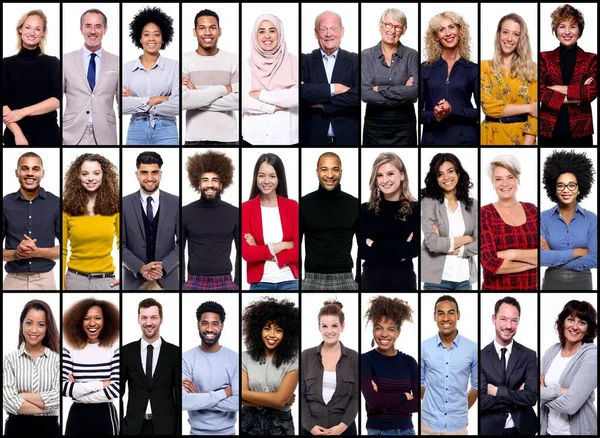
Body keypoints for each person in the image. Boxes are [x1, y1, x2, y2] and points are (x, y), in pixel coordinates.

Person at [121, 298, 180, 435]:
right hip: (133, 428)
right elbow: (118, 392)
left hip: (166, 429)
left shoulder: (175, 353)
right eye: (144, 318)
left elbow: (179, 397)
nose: (148, 323)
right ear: (138, 319)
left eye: (153, 317)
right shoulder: (126, 352)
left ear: (161, 319)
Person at [182, 150, 240, 290]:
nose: (209, 184)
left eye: (214, 180)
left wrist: (237, 283)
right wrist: (181, 283)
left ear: (221, 184)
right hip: (194, 280)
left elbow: (241, 251)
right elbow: (180, 250)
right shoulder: (185, 212)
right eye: (205, 180)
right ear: (198, 184)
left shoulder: (235, 213)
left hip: (225, 280)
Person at [540, 4, 597, 145]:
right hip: (548, 129)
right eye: (562, 26)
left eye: (572, 26)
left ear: (579, 30)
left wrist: (552, 88)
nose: (567, 32)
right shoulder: (544, 58)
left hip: (581, 130)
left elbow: (591, 92)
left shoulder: (591, 59)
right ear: (555, 30)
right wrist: (577, 96)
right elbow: (539, 92)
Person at [360, 152, 419, 291]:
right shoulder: (365, 210)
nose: (384, 180)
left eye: (390, 174)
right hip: (371, 281)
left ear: (402, 175)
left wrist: (374, 244)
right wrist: (400, 249)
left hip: (404, 282)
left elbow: (412, 250)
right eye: (379, 175)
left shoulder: (415, 209)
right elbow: (363, 252)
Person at [480, 297, 538, 435]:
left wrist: (495, 391)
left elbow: (531, 397)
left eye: (514, 320)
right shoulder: (480, 357)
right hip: (490, 430)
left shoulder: (529, 355)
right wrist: (518, 395)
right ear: (494, 319)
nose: (508, 326)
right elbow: (482, 401)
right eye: (503, 319)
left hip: (523, 429)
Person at [301, 152, 359, 290]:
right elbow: (296, 244)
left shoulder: (354, 204)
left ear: (341, 172)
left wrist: (358, 281)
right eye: (324, 169)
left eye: (335, 169)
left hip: (345, 278)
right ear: (317, 172)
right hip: (311, 278)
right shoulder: (304, 204)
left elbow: (362, 246)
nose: (330, 175)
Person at [122, 151, 180, 291]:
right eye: (144, 172)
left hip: (167, 280)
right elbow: (120, 245)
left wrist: (163, 266)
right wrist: (140, 267)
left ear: (160, 174)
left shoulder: (176, 203)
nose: (149, 178)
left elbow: (182, 242)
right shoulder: (123, 204)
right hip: (134, 281)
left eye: (154, 172)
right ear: (137, 174)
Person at [241, 297, 299, 435]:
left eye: (278, 330)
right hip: (248, 424)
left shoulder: (293, 360)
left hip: (280, 426)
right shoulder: (245, 357)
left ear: (286, 334)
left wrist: (241, 393)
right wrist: (277, 399)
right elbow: (280, 400)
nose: (271, 335)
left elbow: (280, 400)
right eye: (267, 328)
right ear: (258, 330)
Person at [300, 11, 360, 146]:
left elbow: (358, 96)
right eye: (323, 29)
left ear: (342, 32)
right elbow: (300, 93)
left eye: (333, 29)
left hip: (348, 140)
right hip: (311, 140)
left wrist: (322, 105)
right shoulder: (304, 61)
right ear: (316, 33)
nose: (328, 34)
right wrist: (335, 88)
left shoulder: (355, 60)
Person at [62, 298, 120, 435]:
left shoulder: (114, 349)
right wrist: (103, 384)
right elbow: (63, 387)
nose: (92, 323)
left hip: (105, 415)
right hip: (77, 416)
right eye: (86, 318)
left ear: (106, 321)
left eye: (98, 318)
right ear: (78, 321)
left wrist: (79, 395)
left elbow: (116, 389)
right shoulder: (69, 350)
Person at [421, 295, 478, 435]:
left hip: (458, 426)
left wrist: (459, 408)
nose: (446, 318)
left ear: (458, 315)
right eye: (441, 313)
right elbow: (419, 383)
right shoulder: (424, 347)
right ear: (434, 316)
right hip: (428, 425)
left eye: (451, 312)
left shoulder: (473, 348)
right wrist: (434, 405)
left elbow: (476, 386)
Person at [361, 296, 418, 435]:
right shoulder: (365, 360)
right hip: (378, 432)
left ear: (398, 332)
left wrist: (383, 406)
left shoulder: (410, 362)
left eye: (390, 329)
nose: (384, 334)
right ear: (373, 329)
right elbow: (373, 401)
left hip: (407, 431)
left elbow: (418, 404)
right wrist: (404, 396)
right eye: (379, 328)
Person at [62, 153, 120, 290]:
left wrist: (126, 277)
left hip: (107, 281)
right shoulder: (67, 209)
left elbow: (122, 245)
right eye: (85, 174)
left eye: (96, 173)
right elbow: (63, 250)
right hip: (74, 280)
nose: (90, 178)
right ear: (77, 176)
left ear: (104, 176)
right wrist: (62, 288)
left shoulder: (115, 208)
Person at [420, 153, 478, 291]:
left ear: (458, 173)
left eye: (450, 171)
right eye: (440, 174)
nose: (446, 177)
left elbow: (481, 243)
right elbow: (433, 243)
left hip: (464, 279)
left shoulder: (473, 205)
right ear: (436, 178)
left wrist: (451, 247)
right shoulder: (429, 202)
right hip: (436, 280)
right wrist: (467, 238)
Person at [361, 9, 418, 145]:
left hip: (405, 128)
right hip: (374, 128)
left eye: (397, 27)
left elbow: (415, 92)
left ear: (403, 30)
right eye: (388, 25)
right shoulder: (366, 56)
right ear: (380, 25)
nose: (392, 31)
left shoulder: (412, 55)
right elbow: (365, 94)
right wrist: (402, 93)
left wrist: (379, 88)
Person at [242, 153, 299, 290]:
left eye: (272, 176)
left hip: (289, 281)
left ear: (279, 178)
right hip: (260, 282)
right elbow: (247, 253)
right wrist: (284, 245)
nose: (266, 181)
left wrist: (260, 249)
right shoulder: (246, 208)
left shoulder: (292, 206)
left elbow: (297, 250)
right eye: (262, 175)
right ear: (256, 177)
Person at [480, 155, 538, 290]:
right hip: (495, 291)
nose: (505, 184)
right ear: (493, 183)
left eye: (510, 177)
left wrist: (512, 254)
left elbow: (547, 252)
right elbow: (490, 263)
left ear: (518, 179)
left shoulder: (532, 210)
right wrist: (535, 261)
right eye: (498, 179)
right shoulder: (485, 214)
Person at [2, 9, 60, 146]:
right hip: (15, 136)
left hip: (49, 136)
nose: (32, 33)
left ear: (42, 33)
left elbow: (57, 100)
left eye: (37, 29)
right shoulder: (6, 64)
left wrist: (22, 112)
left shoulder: (53, 63)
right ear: (20, 29)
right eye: (28, 27)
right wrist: (18, 135)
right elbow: (3, 104)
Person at [62, 9, 120, 146]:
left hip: (106, 134)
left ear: (105, 29)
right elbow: (55, 100)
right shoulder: (66, 60)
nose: (92, 31)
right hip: (72, 133)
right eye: (88, 26)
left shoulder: (116, 61)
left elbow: (122, 102)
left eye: (98, 26)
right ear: (81, 29)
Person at [420, 11, 478, 146]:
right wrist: (435, 115)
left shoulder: (473, 69)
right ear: (436, 36)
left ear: (459, 30)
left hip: (465, 140)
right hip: (433, 140)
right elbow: (417, 113)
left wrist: (453, 111)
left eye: (451, 27)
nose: (448, 33)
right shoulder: (425, 68)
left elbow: (481, 112)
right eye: (441, 29)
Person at [3, 299, 60, 436]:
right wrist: (47, 408)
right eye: (29, 323)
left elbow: (58, 398)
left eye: (41, 325)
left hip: (49, 430)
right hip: (16, 429)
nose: (33, 330)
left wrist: (23, 396)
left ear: (47, 327)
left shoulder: (57, 360)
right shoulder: (9, 360)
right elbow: (9, 401)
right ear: (21, 324)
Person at [3, 152, 59, 290]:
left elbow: (65, 249)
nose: (30, 173)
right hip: (13, 280)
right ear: (17, 172)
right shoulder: (5, 204)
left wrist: (36, 252)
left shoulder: (56, 203)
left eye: (35, 169)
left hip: (46, 280)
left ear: (42, 173)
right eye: (24, 168)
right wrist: (16, 254)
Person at [182, 9, 239, 145]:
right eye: (202, 28)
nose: (207, 32)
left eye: (212, 28)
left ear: (220, 31)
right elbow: (184, 101)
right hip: (195, 137)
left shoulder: (234, 60)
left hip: (228, 138)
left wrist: (197, 96)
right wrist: (225, 89)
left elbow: (239, 101)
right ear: (194, 32)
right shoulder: (184, 61)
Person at [540, 299, 598, 435]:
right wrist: (563, 391)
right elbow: (531, 387)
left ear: (588, 328)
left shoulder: (591, 355)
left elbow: (570, 405)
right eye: (571, 319)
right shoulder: (552, 351)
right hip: (548, 431)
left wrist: (541, 394)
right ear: (562, 322)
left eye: (582, 322)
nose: (575, 327)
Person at [541, 150, 597, 290]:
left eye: (571, 185)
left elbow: (595, 258)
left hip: (583, 281)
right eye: (561, 185)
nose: (566, 190)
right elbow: (541, 257)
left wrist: (557, 261)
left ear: (579, 189)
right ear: (554, 189)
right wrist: (577, 252)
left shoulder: (591, 219)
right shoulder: (543, 218)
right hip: (552, 281)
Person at [301, 300, 358, 435]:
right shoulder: (306, 356)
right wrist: (311, 427)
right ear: (319, 328)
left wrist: (341, 428)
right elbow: (302, 395)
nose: (329, 331)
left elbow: (355, 398)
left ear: (342, 327)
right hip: (310, 430)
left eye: (334, 326)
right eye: (324, 326)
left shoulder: (354, 358)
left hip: (345, 430)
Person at [123, 6, 179, 145]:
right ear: (140, 38)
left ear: (163, 38)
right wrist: (159, 98)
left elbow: (178, 105)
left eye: (157, 34)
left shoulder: (174, 66)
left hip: (166, 128)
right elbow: (122, 106)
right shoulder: (127, 68)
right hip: (136, 128)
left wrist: (136, 101)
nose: (151, 39)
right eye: (146, 34)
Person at [182, 301, 239, 435]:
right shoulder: (186, 359)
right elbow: (183, 401)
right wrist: (224, 393)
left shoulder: (235, 359)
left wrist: (198, 397)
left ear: (222, 326)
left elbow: (237, 402)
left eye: (215, 324)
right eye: (205, 323)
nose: (209, 329)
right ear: (198, 325)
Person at [481, 13, 538, 145]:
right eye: (505, 32)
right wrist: (529, 107)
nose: (509, 38)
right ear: (498, 35)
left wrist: (526, 146)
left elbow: (535, 116)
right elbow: (488, 107)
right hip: (489, 135)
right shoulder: (484, 67)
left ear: (521, 39)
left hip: (522, 137)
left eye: (516, 34)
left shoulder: (532, 69)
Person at [242, 14, 298, 145]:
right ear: (255, 36)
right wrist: (274, 107)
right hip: (252, 138)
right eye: (261, 31)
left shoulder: (294, 62)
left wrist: (260, 94)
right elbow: (243, 102)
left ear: (280, 34)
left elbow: (297, 96)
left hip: (288, 138)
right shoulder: (245, 66)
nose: (267, 36)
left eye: (272, 30)